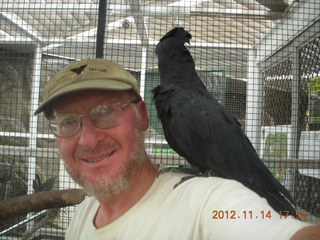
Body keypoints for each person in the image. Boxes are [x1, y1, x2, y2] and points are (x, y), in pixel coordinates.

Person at [34, 58, 319, 239]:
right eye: (67, 121)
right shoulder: (85, 212)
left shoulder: (210, 202)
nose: (88, 139)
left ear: (143, 117)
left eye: (106, 110)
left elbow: (256, 224)